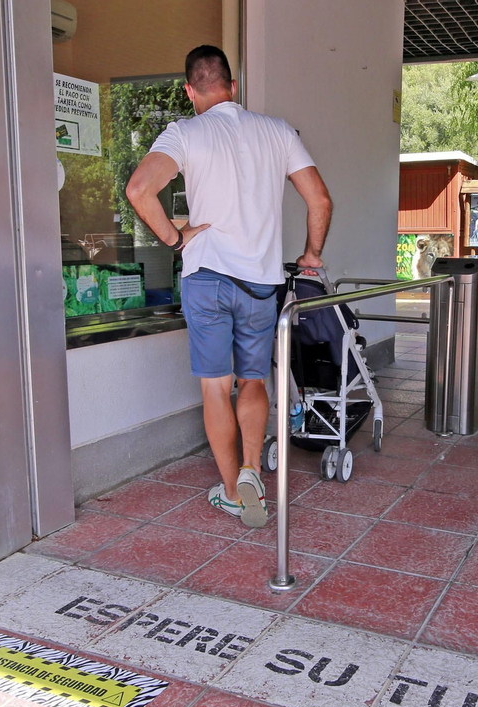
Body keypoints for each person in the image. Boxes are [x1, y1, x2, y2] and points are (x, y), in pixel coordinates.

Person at [125, 44, 332, 528]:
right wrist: (311, 255)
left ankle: (234, 495)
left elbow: (138, 190)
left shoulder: (185, 132)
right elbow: (320, 200)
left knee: (216, 388)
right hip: (261, 283)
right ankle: (251, 469)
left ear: (189, 91)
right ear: (233, 86)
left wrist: (175, 238)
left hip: (208, 278)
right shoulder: (278, 131)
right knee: (252, 379)